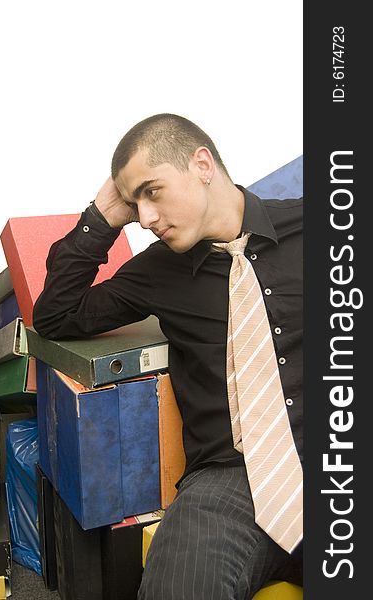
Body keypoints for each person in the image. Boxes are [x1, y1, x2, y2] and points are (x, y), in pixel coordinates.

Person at [33, 113, 303, 599]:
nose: (146, 218)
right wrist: (101, 218)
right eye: (135, 204)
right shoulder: (158, 270)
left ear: (202, 164)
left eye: (152, 192)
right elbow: (57, 315)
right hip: (227, 482)